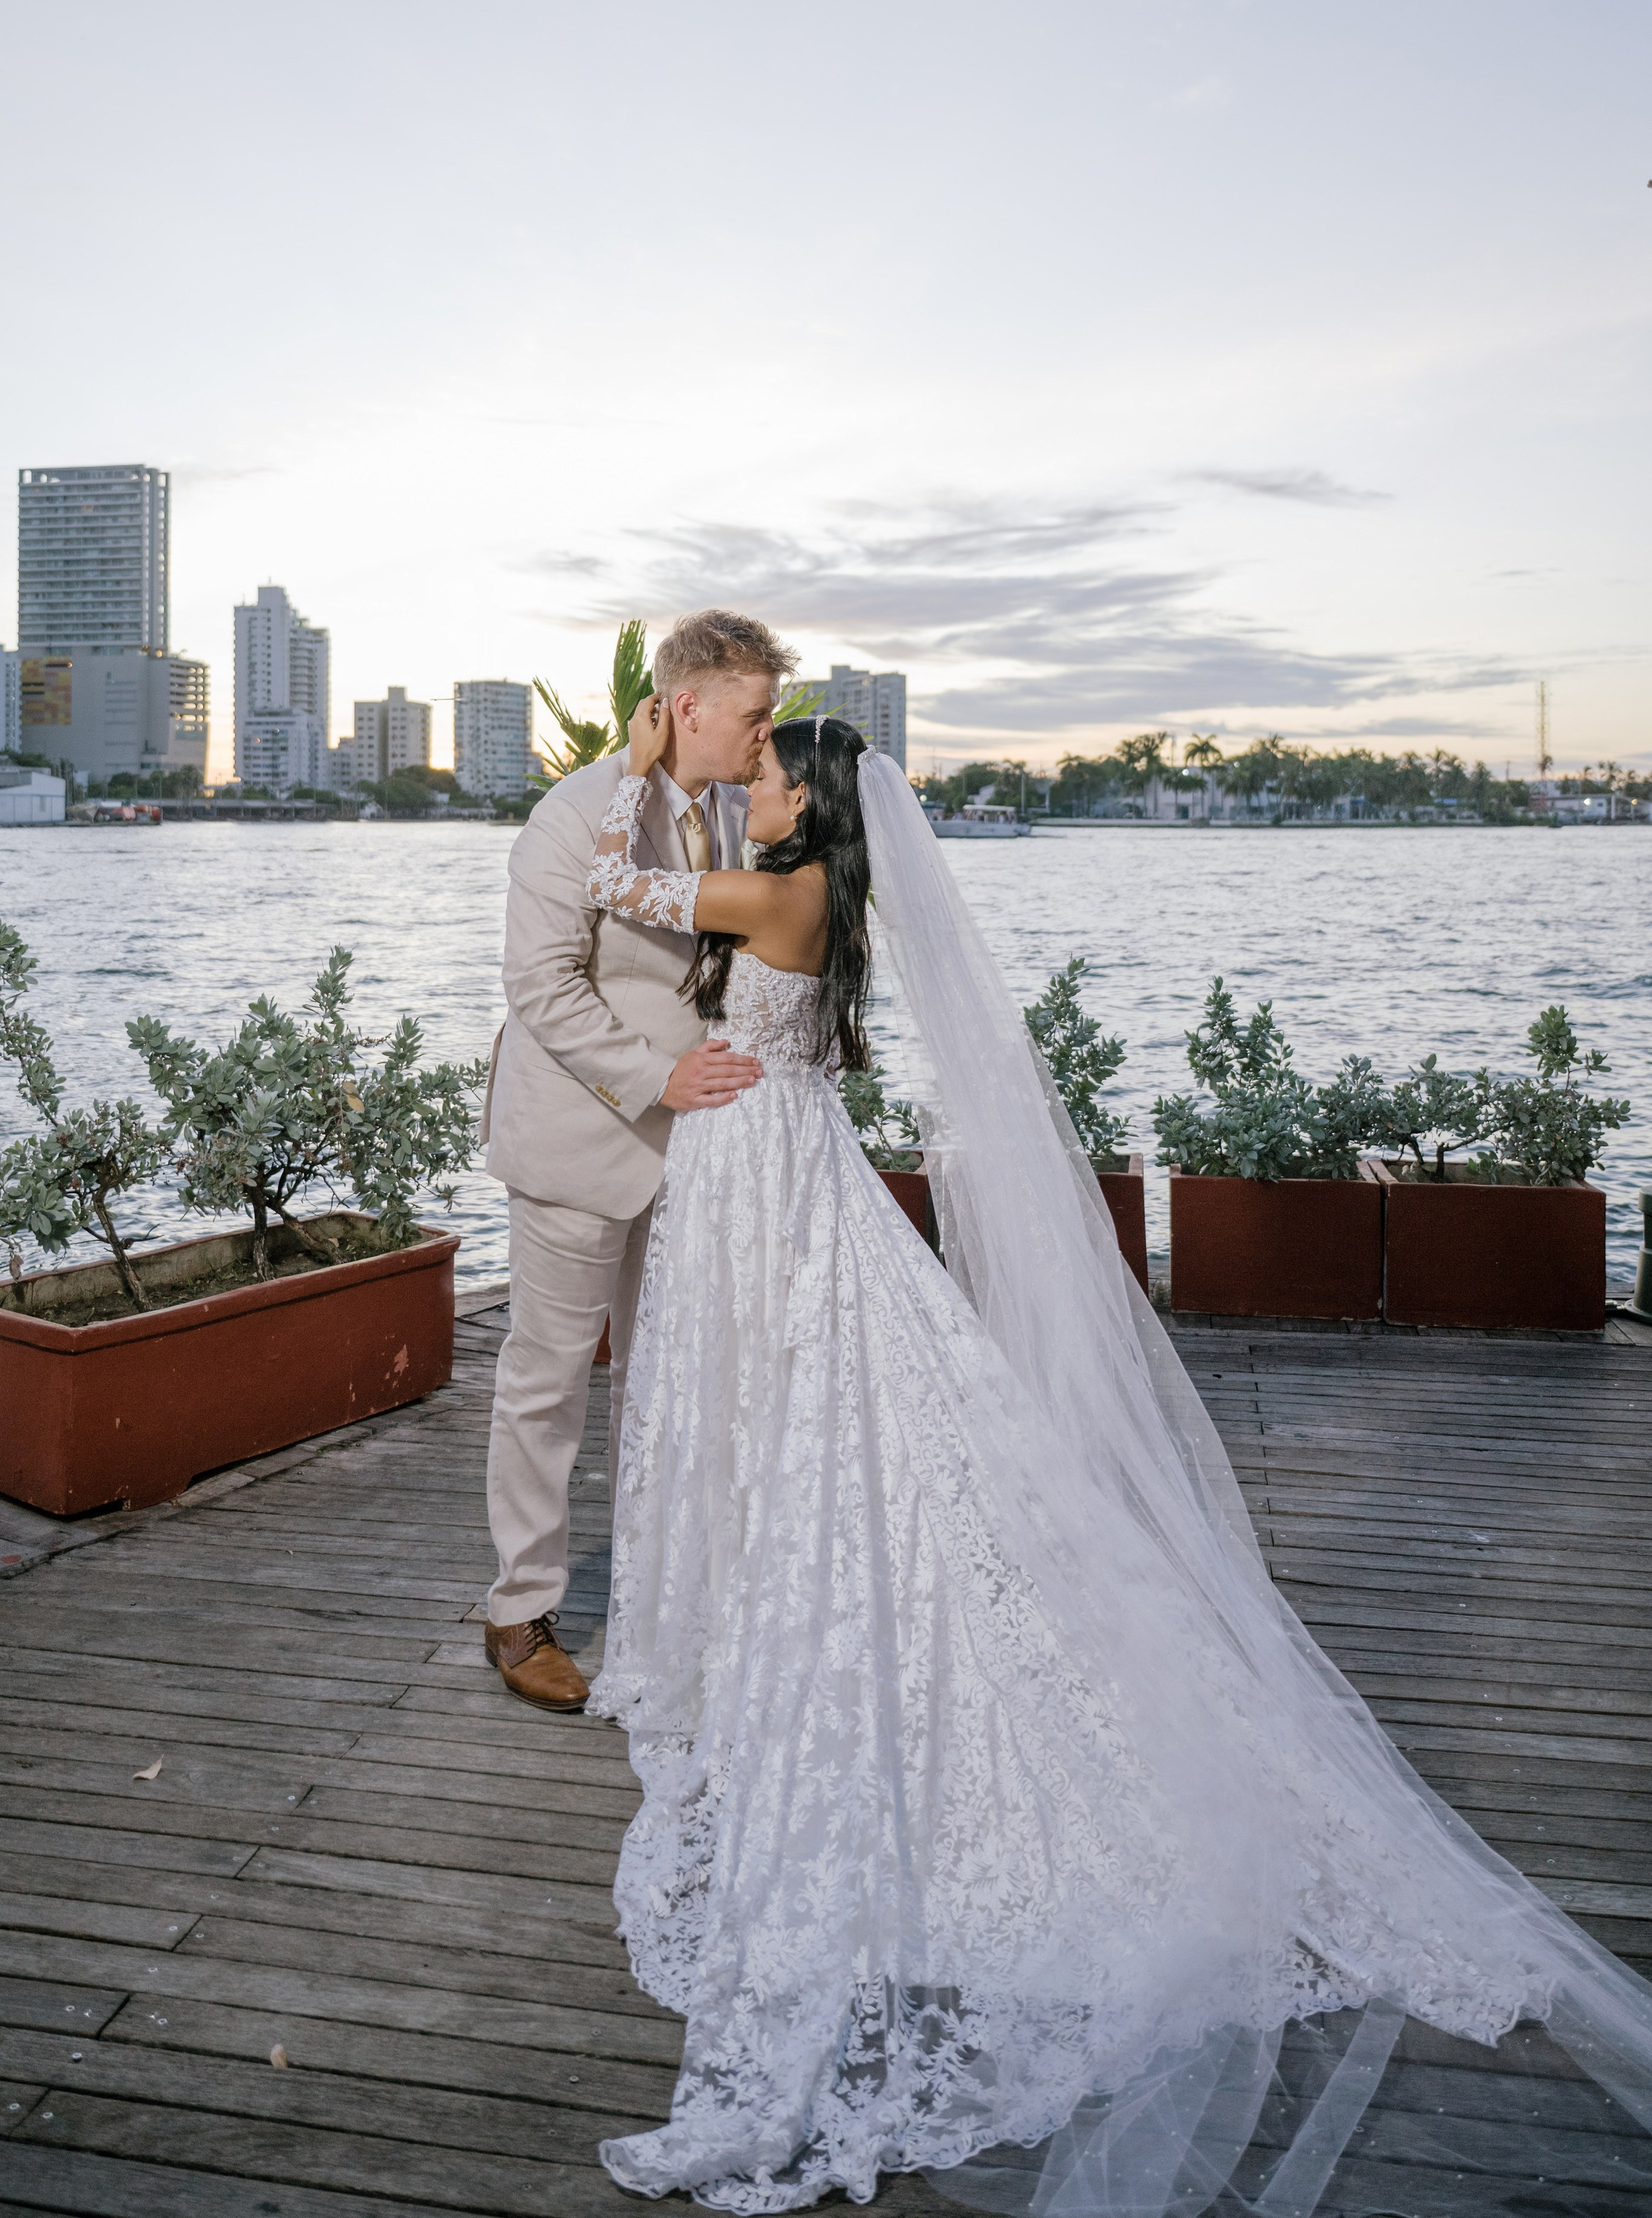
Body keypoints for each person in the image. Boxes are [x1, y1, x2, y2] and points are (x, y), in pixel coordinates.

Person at [576, 700, 1652, 2218]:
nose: (736, 789)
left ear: (809, 799)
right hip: (781, 1168)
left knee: (854, 1411)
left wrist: (640, 761)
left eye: (754, 772)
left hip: (769, 1178)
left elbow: (617, 886)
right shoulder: (817, 891)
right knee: (865, 1406)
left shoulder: (780, 890)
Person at [478, 609, 796, 1711]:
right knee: (548, 1383)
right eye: (756, 715)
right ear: (690, 706)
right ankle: (519, 1612)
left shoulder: (739, 814)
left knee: (670, 1387)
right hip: (580, 1142)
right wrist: (658, 1080)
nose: (768, 736)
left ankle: (671, 1598)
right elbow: (543, 988)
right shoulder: (572, 820)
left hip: (702, 1159)